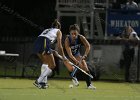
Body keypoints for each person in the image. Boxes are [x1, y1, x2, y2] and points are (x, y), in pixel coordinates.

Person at [33, 19, 66, 89]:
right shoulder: (58, 31)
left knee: (45, 62)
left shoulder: (47, 30)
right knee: (52, 65)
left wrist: (52, 51)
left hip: (37, 42)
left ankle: (43, 83)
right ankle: (38, 81)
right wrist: (63, 56)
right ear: (59, 27)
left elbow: (44, 41)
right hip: (44, 42)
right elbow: (60, 46)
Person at [63, 24, 96, 89]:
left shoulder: (81, 37)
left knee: (84, 66)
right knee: (71, 68)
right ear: (70, 33)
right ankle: (74, 78)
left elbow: (88, 46)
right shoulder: (67, 40)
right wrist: (76, 61)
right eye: (72, 34)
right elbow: (70, 54)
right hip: (66, 55)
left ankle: (89, 85)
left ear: (78, 33)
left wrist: (85, 55)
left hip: (76, 54)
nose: (73, 35)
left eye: (75, 33)